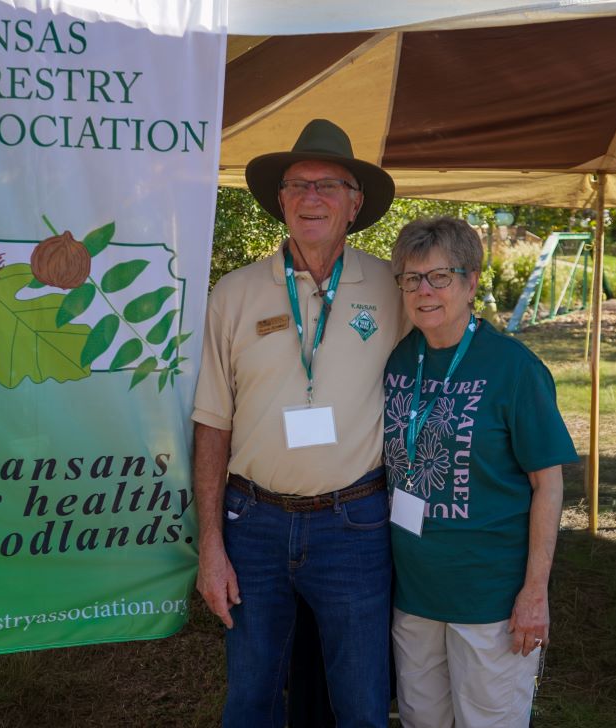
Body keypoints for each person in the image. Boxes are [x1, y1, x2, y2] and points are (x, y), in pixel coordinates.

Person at [191, 118, 407, 727]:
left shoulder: (392, 290)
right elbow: (211, 426)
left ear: (355, 202)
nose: (312, 197)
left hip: (355, 525)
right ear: (280, 201)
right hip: (252, 526)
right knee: (250, 701)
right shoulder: (232, 295)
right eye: (298, 185)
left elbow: (445, 352)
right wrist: (211, 546)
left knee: (361, 705)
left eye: (329, 185)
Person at [384, 217, 578, 728]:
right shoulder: (399, 360)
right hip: (413, 593)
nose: (424, 291)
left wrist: (535, 593)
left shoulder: (514, 368)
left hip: (490, 598)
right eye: (411, 278)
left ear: (471, 283)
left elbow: (548, 484)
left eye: (440, 277)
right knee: (422, 720)